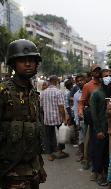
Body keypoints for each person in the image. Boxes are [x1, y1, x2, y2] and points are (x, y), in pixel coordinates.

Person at [0, 39, 46, 188]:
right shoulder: (4, 92)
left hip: (32, 171)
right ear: (13, 64)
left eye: (31, 60)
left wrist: (40, 166)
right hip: (10, 172)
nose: (28, 64)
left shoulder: (33, 93)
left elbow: (34, 132)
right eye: (22, 60)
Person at [89, 69, 111, 186]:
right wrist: (98, 130)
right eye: (105, 76)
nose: (108, 77)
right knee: (99, 153)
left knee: (107, 154)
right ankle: (99, 174)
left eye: (110, 75)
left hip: (110, 129)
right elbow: (94, 114)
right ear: (101, 79)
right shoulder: (96, 93)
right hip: (100, 129)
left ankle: (107, 173)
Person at [41, 75, 68, 161]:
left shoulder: (43, 92)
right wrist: (64, 118)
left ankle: (50, 154)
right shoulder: (58, 92)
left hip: (47, 118)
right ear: (56, 81)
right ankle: (60, 151)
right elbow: (61, 107)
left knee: (48, 136)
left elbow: (41, 106)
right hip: (57, 118)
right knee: (61, 134)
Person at [72, 74, 86, 162]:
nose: (80, 82)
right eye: (78, 81)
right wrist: (77, 122)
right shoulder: (76, 95)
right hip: (81, 120)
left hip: (91, 120)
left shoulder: (89, 90)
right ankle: (83, 155)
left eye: (81, 80)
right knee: (81, 139)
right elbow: (76, 109)